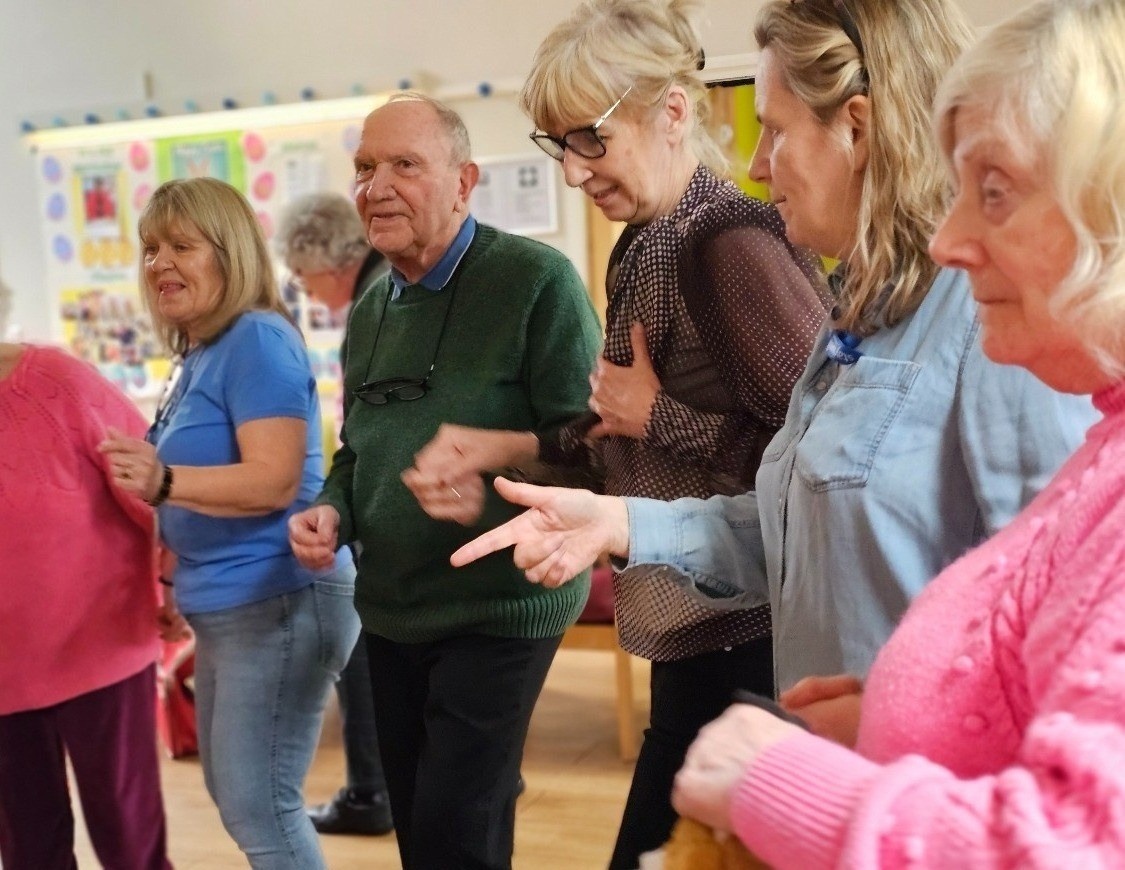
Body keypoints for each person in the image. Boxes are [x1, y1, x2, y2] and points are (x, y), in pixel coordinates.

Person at [450, 0, 1094, 733]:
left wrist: (912, 725)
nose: (756, 163)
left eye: (777, 132)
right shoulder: (857, 317)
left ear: (856, 127)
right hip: (834, 764)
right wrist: (616, 522)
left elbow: (1061, 616)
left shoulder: (987, 318)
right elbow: (792, 524)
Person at [671, 0, 1125, 865]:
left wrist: (782, 784)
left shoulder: (992, 340)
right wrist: (895, 708)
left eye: (992, 192)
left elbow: (1074, 842)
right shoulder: (866, 309)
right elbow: (1026, 643)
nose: (953, 237)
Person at [402, 2, 827, 865]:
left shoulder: (727, 243)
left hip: (748, 633)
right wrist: (505, 447)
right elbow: (631, 443)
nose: (571, 172)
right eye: (556, 144)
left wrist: (654, 414)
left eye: (589, 138)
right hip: (697, 618)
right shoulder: (649, 241)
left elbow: (824, 461)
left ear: (673, 111)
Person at [287, 93, 602, 870]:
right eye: (364, 167)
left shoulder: (536, 282)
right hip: (393, 608)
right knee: (426, 828)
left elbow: (593, 451)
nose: (376, 185)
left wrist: (494, 466)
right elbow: (356, 450)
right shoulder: (367, 310)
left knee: (455, 829)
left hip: (502, 604)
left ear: (464, 181)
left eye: (404, 164)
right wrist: (332, 512)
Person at [99, 177, 359, 870]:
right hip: (229, 606)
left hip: (276, 598)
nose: (159, 263)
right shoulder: (202, 352)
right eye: (151, 248)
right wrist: (174, 573)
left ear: (231, 253)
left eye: (181, 245)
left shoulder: (258, 340)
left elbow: (273, 479)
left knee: (258, 804)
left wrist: (164, 480)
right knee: (234, 791)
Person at [0, 293, 172, 870]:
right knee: (29, 849)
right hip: (4, 678)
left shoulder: (56, 381)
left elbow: (153, 486)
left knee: (130, 842)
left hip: (100, 651)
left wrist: (176, 580)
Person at [274, 191, 393, 836]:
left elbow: (364, 432)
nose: (304, 288)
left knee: (363, 652)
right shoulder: (387, 283)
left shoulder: (377, 298)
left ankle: (371, 792)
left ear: (324, 257)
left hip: (390, 517)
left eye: (301, 273)